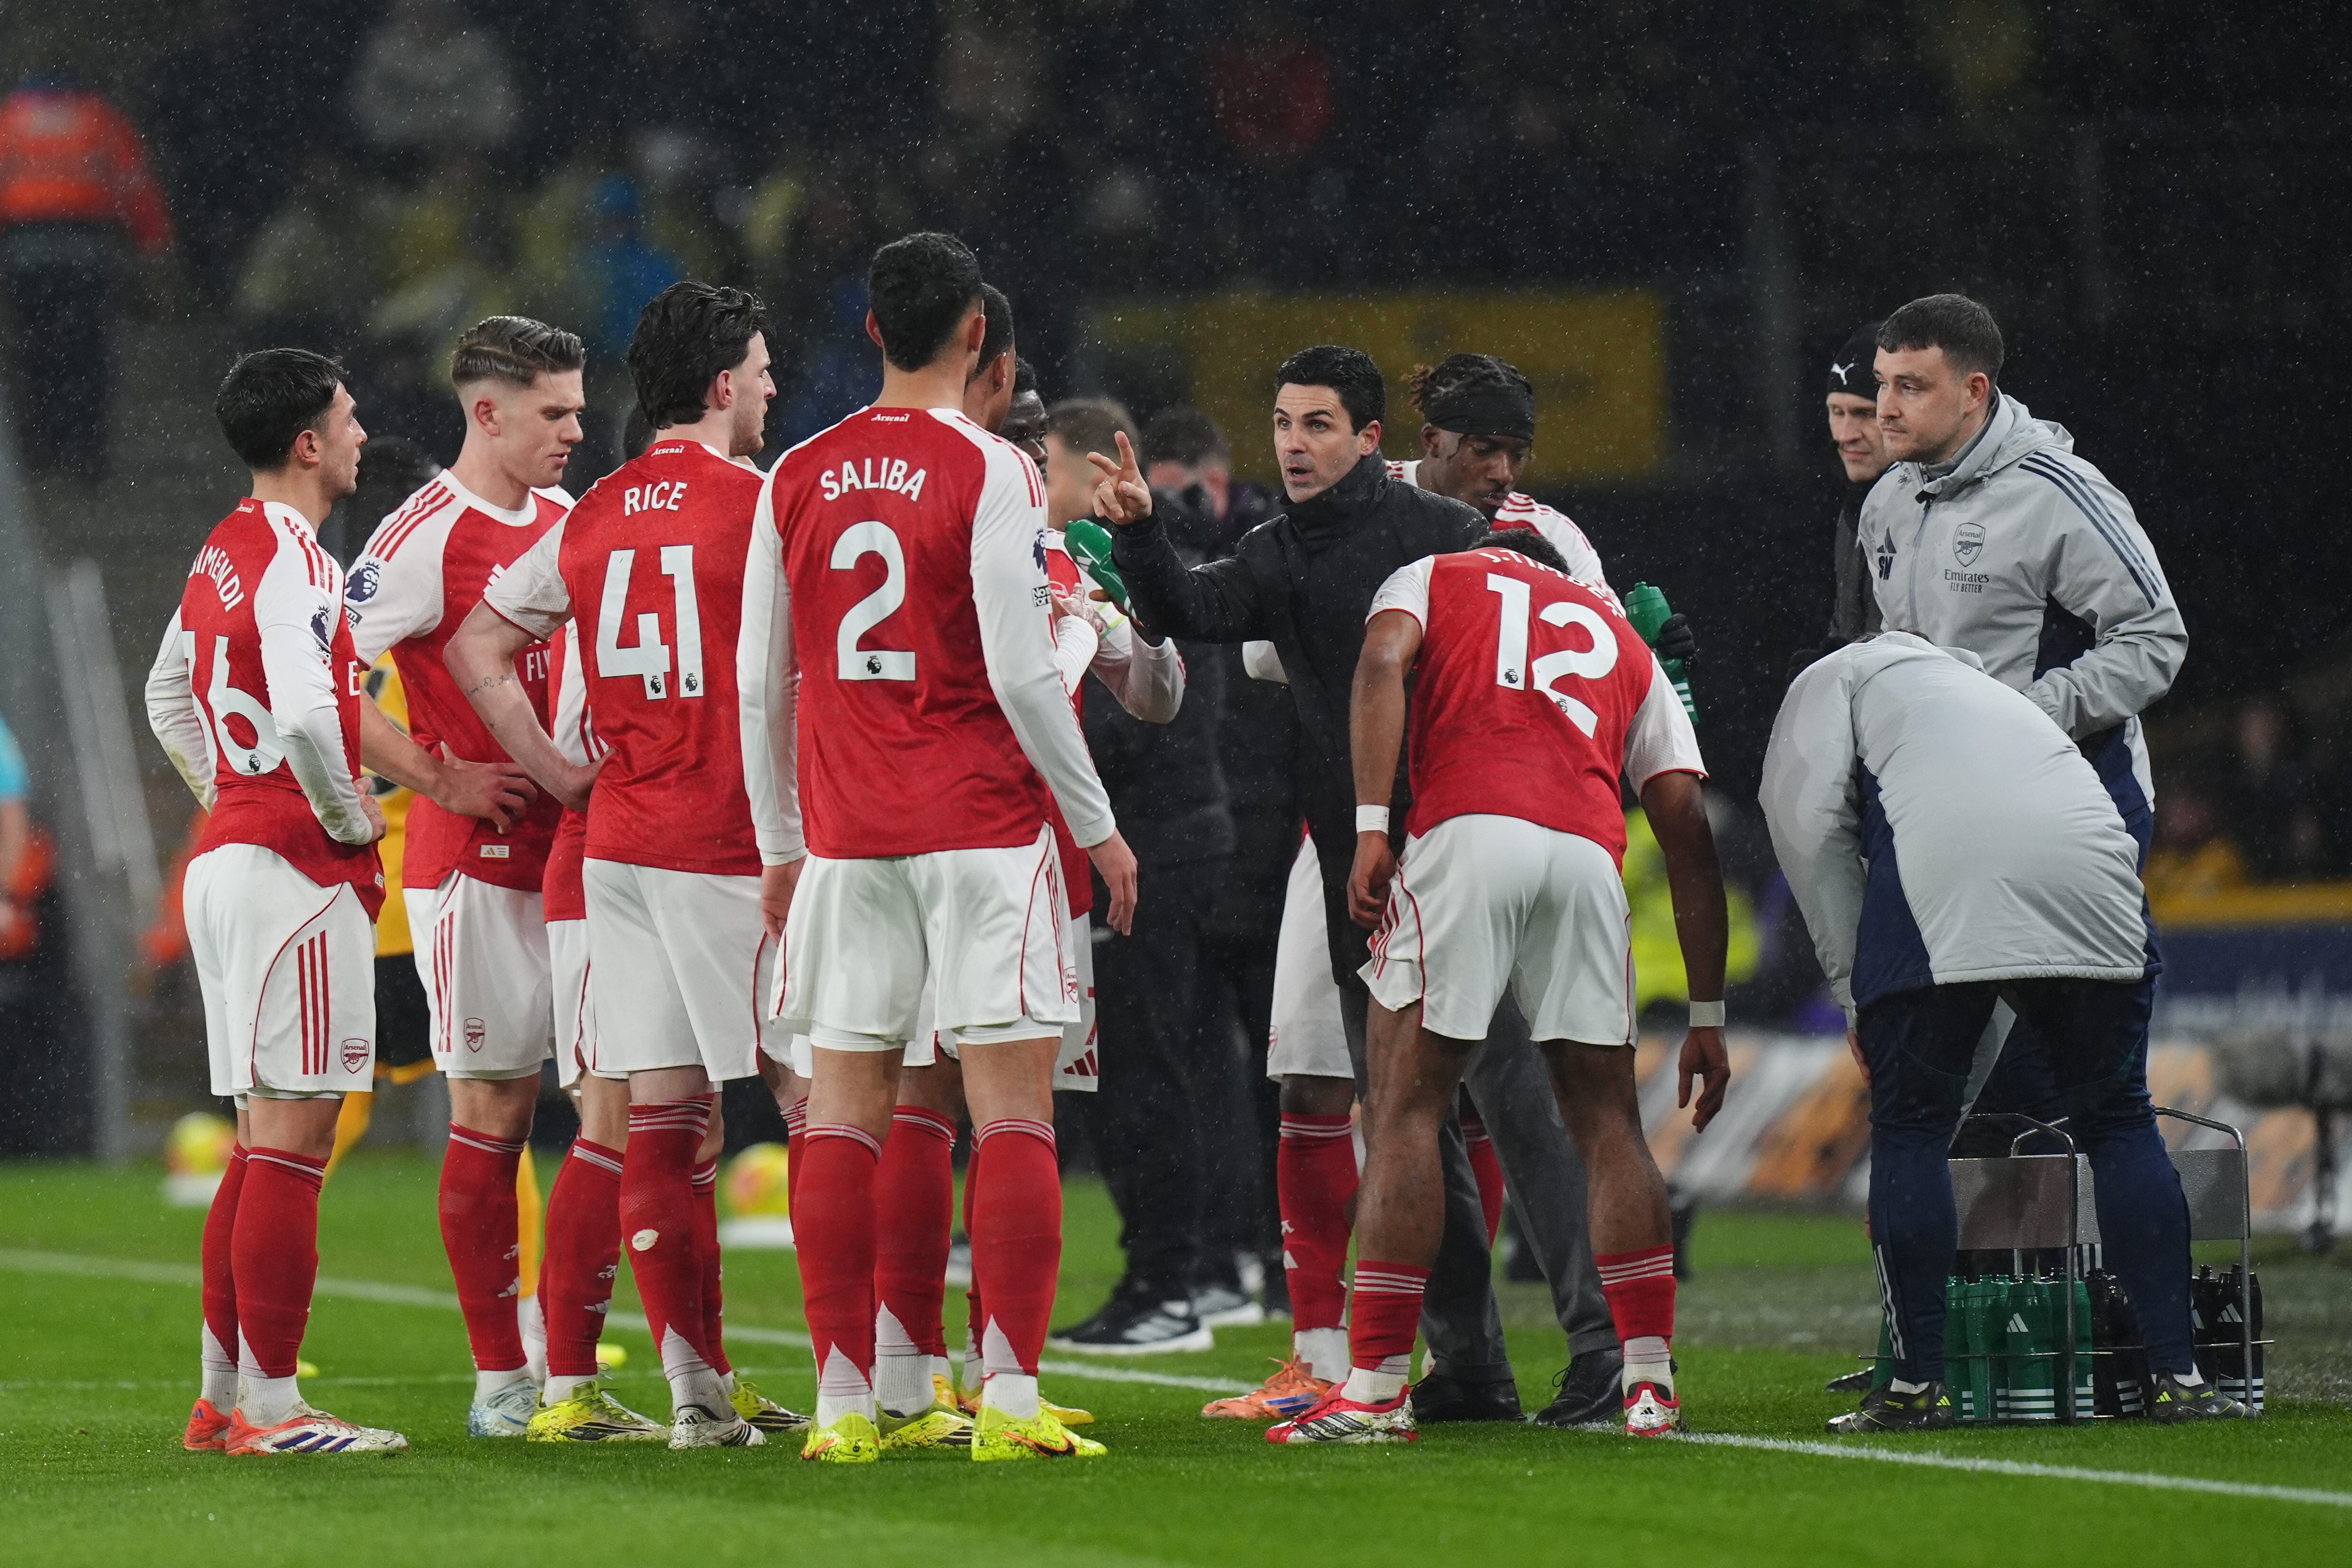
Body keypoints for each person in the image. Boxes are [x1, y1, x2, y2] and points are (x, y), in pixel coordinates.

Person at [738, 230, 1137, 1464]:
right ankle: (1008, 1404)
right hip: (978, 826)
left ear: (872, 331)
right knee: (1012, 1112)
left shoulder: (796, 470)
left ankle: (849, 1407)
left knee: (846, 1117)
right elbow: (1023, 671)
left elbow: (767, 682)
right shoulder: (993, 468)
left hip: (849, 843)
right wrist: (1098, 827)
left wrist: (781, 845)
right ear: (976, 335)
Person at [1092, 346, 1539, 1423]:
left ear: (1372, 441)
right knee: (1407, 1114)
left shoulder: (1444, 536)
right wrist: (1140, 529)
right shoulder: (1279, 550)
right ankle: (1471, 1365)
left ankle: (1576, 1352)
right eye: (1284, 422)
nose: (1293, 442)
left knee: (1457, 1106)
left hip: (1446, 850)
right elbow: (1195, 615)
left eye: (1319, 424)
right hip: (1355, 866)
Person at [1268, 528, 1727, 1445]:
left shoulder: (1434, 572)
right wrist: (1708, 1013)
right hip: (1586, 855)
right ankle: (1645, 1380)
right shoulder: (1615, 633)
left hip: (1469, 833)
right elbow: (1683, 822)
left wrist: (1366, 825)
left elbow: (1378, 660)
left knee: (1404, 1106)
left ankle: (1374, 1387)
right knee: (1605, 1123)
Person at [449, 280, 809, 1448]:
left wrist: (562, 773)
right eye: (757, 368)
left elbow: (479, 644)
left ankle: (696, 1397)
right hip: (734, 842)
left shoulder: (592, 510)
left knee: (662, 1115)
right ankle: (879, 1383)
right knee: (825, 1102)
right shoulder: (758, 503)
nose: (769, 386)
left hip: (621, 845)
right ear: (719, 384)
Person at [1762, 634, 2243, 1431]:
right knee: (2120, 1121)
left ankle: (1915, 1387)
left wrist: (1856, 995)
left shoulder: (1828, 682)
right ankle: (2179, 1376)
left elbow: (1810, 838)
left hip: (1947, 868)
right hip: (2094, 873)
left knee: (1911, 1128)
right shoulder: (1997, 698)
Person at [141, 348, 404, 1454]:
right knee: (294, 1142)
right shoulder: (298, 558)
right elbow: (307, 714)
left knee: (260, 1141)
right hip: (293, 865)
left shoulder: (225, 550)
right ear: (308, 441)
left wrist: (228, 796)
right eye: (346, 420)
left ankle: (223, 1397)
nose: (357, 435)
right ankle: (274, 1407)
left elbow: (165, 694)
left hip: (232, 860)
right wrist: (346, 818)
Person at [1860, 294, 2188, 1147]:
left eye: (1910, 386)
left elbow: (2155, 637)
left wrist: (2023, 717)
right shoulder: (1885, 506)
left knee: (2050, 1077)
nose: (1884, 407)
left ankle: (2076, 1279)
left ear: (1973, 391)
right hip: (1950, 817)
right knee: (1945, 1086)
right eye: (1881, 383)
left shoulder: (2057, 492)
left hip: (2075, 803)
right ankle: (2001, 1280)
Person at [343, 315, 583, 1437]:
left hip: (588, 857)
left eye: (580, 411)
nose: (574, 431)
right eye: (554, 413)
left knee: (634, 1102)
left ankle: (593, 1363)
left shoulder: (573, 522)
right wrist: (437, 777)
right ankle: (502, 1377)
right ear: (486, 411)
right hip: (475, 866)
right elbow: (325, 678)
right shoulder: (422, 535)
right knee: (492, 1107)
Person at [1043, 395, 1241, 1354]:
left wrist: (1052, 748)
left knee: (1151, 1073)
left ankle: (1173, 1282)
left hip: (1152, 846)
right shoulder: (1130, 553)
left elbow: (1154, 709)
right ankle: (1170, 1273)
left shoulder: (1120, 555)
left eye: (1043, 470)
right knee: (1148, 1070)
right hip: (1158, 838)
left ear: (1084, 468)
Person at [0, 73, 174, 479]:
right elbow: (134, 184)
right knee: (89, 352)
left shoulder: (9, 120)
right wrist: (154, 245)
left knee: (37, 351)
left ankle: (44, 450)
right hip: (88, 249)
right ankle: (86, 450)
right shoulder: (100, 119)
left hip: (27, 249)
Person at [1822, 321, 1889, 646]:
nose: (1845, 435)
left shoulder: (1939, 510)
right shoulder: (1854, 512)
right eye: (1837, 412)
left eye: (1864, 413)